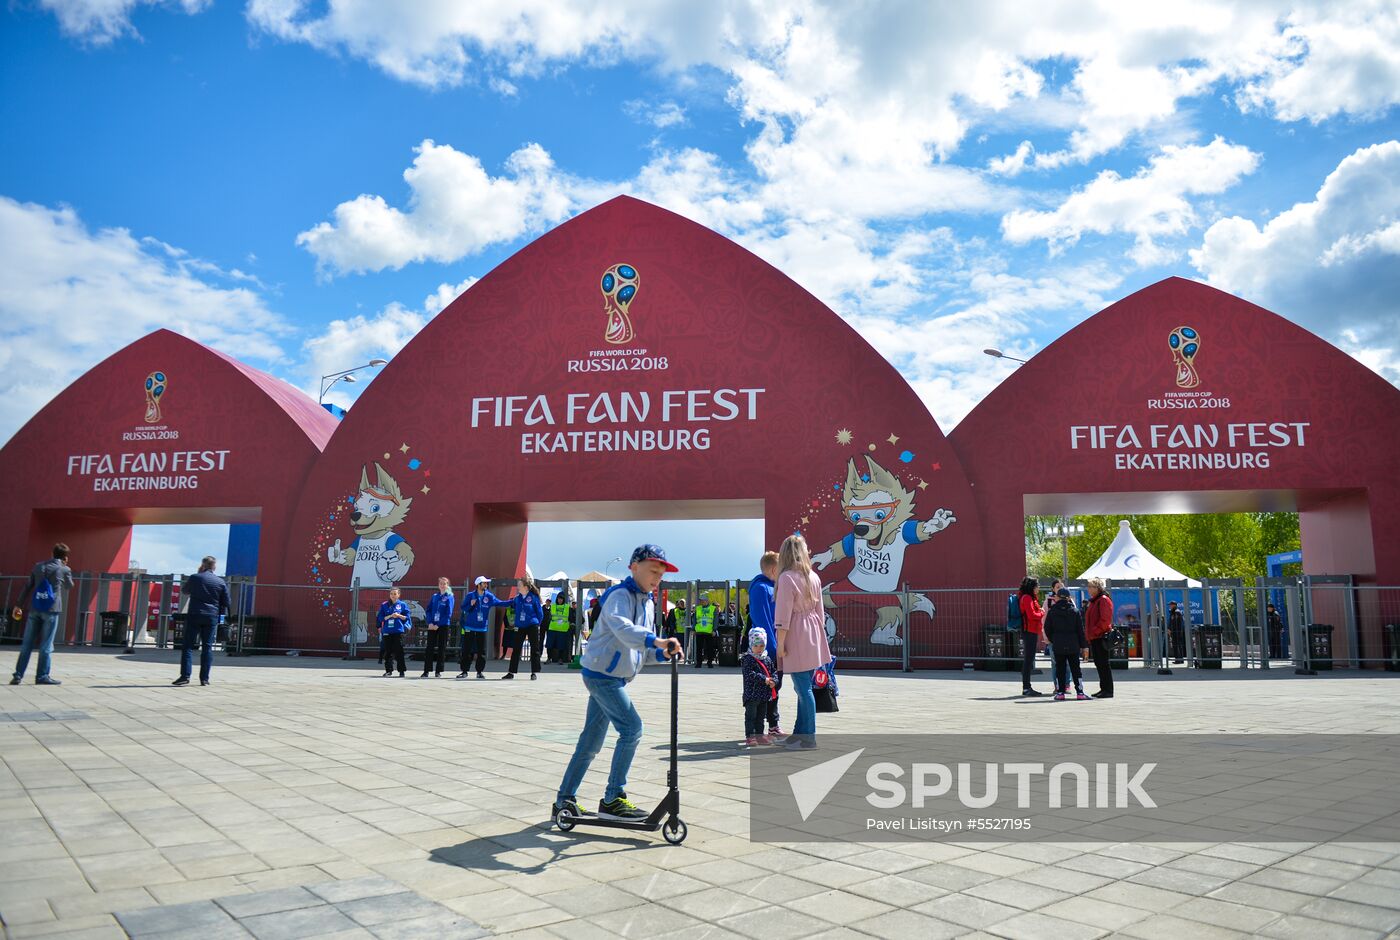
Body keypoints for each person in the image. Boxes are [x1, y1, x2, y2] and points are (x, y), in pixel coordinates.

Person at [553, 545, 684, 822]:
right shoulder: (619, 596)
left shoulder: (648, 603)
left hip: (613, 677)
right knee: (632, 728)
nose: (657, 578)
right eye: (652, 571)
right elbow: (623, 628)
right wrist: (655, 640)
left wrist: (662, 652)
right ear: (634, 567)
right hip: (602, 677)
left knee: (590, 742)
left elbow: (642, 650)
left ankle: (564, 800)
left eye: (661, 574)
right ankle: (613, 797)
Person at [774, 534, 832, 750]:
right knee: (804, 685)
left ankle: (808, 737)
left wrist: (780, 644)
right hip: (813, 632)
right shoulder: (813, 576)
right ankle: (799, 733)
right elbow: (821, 613)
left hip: (796, 633)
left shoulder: (786, 578)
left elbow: (783, 615)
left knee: (802, 688)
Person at [9, 543, 75, 686]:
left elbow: (28, 586)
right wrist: (66, 568)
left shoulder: (38, 566)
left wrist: (18, 605)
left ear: (52, 553)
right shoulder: (64, 569)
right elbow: (69, 586)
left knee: (27, 644)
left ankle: (18, 675)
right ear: (65, 557)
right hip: (51, 610)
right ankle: (42, 676)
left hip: (35, 608)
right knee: (46, 645)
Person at [172, 556, 230, 687]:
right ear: (214, 566)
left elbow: (185, 591)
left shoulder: (195, 578)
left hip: (195, 615)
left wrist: (199, 574)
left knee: (188, 646)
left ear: (202, 565)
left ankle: (185, 676)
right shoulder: (220, 582)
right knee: (207, 647)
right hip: (211, 617)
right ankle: (204, 679)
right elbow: (227, 602)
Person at [748, 551, 783, 738]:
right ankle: (759, 727)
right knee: (766, 689)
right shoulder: (761, 589)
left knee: (775, 688)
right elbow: (763, 622)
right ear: (774, 569)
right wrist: (773, 648)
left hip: (775, 646)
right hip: (767, 650)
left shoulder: (772, 587)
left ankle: (773, 724)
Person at [1044, 588, 1090, 700]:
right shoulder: (1075, 611)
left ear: (1058, 597)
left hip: (1058, 643)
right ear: (1069, 598)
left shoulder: (1052, 611)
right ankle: (1080, 692)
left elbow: (1047, 628)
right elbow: (1080, 630)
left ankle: (1060, 692)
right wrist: (1083, 646)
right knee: (1075, 668)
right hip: (1073, 644)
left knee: (1060, 668)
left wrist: (1053, 639)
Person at [741, 627, 778, 746]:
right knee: (751, 716)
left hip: (763, 695)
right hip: (751, 694)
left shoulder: (767, 658)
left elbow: (774, 672)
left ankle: (760, 735)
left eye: (761, 646)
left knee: (761, 717)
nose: (758, 649)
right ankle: (750, 736)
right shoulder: (748, 659)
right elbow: (749, 674)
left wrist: (774, 680)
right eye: (756, 646)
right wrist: (764, 679)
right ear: (751, 645)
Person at [504, 574, 544, 680]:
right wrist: (494, 602)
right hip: (520, 626)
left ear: (525, 587)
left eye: (519, 585)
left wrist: (536, 623)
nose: (518, 587)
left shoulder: (533, 598)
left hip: (532, 625)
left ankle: (534, 672)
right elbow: (507, 603)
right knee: (516, 649)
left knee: (534, 649)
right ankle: (511, 672)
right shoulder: (517, 599)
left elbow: (540, 613)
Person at [457, 576, 497, 679]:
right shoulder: (470, 595)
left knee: (481, 651)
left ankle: (479, 672)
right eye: (484, 583)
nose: (486, 585)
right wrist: (470, 604)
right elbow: (463, 607)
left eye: (486, 583)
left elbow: (499, 602)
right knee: (466, 650)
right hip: (469, 627)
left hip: (482, 628)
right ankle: (464, 671)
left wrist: (512, 602)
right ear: (478, 585)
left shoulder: (489, 596)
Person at [1083, 578, 1116, 698]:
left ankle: (1108, 690)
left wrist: (1094, 631)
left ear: (1098, 588)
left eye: (1091, 586)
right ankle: (1104, 688)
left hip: (1100, 636)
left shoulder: (1103, 600)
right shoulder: (1095, 601)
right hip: (1095, 637)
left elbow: (1105, 620)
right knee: (1099, 663)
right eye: (1089, 586)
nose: (1089, 589)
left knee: (1103, 663)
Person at [1017, 577, 1045, 696]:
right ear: (1032, 587)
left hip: (1031, 631)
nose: (1038, 588)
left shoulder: (1030, 597)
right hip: (1029, 631)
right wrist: (1042, 612)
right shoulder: (1027, 598)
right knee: (1028, 659)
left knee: (1029, 659)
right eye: (1037, 586)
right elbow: (1032, 615)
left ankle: (1027, 687)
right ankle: (1026, 687)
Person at [421, 578, 454, 677]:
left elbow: (449, 613)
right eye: (441, 583)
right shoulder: (435, 596)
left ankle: (438, 671)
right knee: (429, 647)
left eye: (444, 584)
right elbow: (428, 609)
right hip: (432, 625)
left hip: (443, 625)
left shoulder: (450, 597)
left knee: (441, 648)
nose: (442, 585)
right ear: (438, 585)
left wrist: (438, 625)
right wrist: (430, 622)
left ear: (447, 585)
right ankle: (426, 670)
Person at [377, 588, 411, 677]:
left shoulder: (403, 605)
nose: (393, 595)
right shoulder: (384, 605)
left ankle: (401, 671)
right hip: (387, 631)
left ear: (399, 595)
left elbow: (407, 617)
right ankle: (388, 670)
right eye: (391, 593)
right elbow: (380, 618)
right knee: (388, 651)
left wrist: (399, 615)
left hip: (398, 631)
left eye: (395, 594)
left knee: (399, 651)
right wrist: (390, 616)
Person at [544, 590, 573, 664]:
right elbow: (549, 617)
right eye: (559, 598)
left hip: (563, 629)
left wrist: (570, 624)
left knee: (561, 646)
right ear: (557, 599)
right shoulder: (553, 606)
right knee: (549, 645)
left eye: (561, 598)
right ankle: (549, 658)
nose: (560, 600)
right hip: (552, 628)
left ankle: (560, 659)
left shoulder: (567, 607)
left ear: (564, 599)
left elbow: (571, 617)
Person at [693, 595, 718, 668]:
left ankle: (709, 662)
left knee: (710, 648)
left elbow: (715, 620)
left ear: (707, 601)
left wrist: (714, 630)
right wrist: (693, 629)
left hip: (709, 631)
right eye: (700, 600)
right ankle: (699, 663)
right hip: (699, 631)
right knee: (699, 648)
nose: (701, 602)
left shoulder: (713, 608)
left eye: (703, 600)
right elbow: (694, 620)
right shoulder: (698, 608)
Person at [1167, 600, 1187, 664]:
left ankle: (1179, 660)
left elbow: (1175, 623)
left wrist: (1171, 630)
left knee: (1177, 646)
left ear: (1174, 605)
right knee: (1177, 646)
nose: (1170, 606)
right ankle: (1179, 659)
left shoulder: (1176, 612)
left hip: (1177, 632)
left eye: (1171, 605)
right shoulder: (1173, 612)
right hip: (1175, 632)